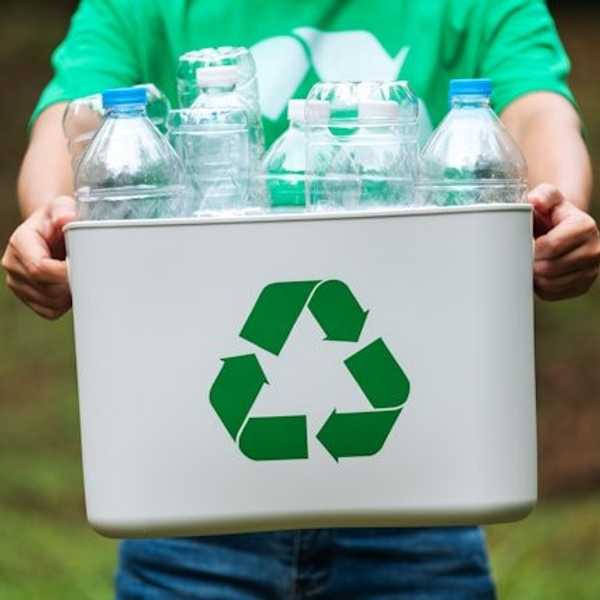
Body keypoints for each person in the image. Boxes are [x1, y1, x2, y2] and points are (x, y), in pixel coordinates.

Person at [2, 0, 599, 597]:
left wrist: (557, 208)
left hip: (422, 493)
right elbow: (67, 124)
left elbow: (538, 111)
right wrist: (52, 219)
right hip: (187, 499)